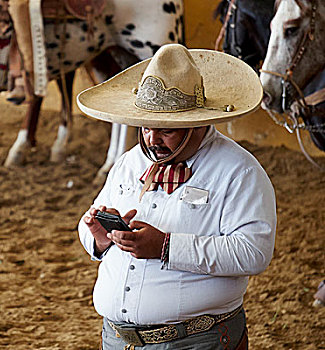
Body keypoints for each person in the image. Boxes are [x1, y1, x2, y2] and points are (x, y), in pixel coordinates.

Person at [76, 43, 276, 349]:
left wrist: (166, 247)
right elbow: (90, 222)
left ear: (196, 124)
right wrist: (99, 238)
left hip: (196, 340)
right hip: (116, 338)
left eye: (165, 130)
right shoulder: (131, 162)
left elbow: (254, 252)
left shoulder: (240, 171)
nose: (151, 139)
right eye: (145, 128)